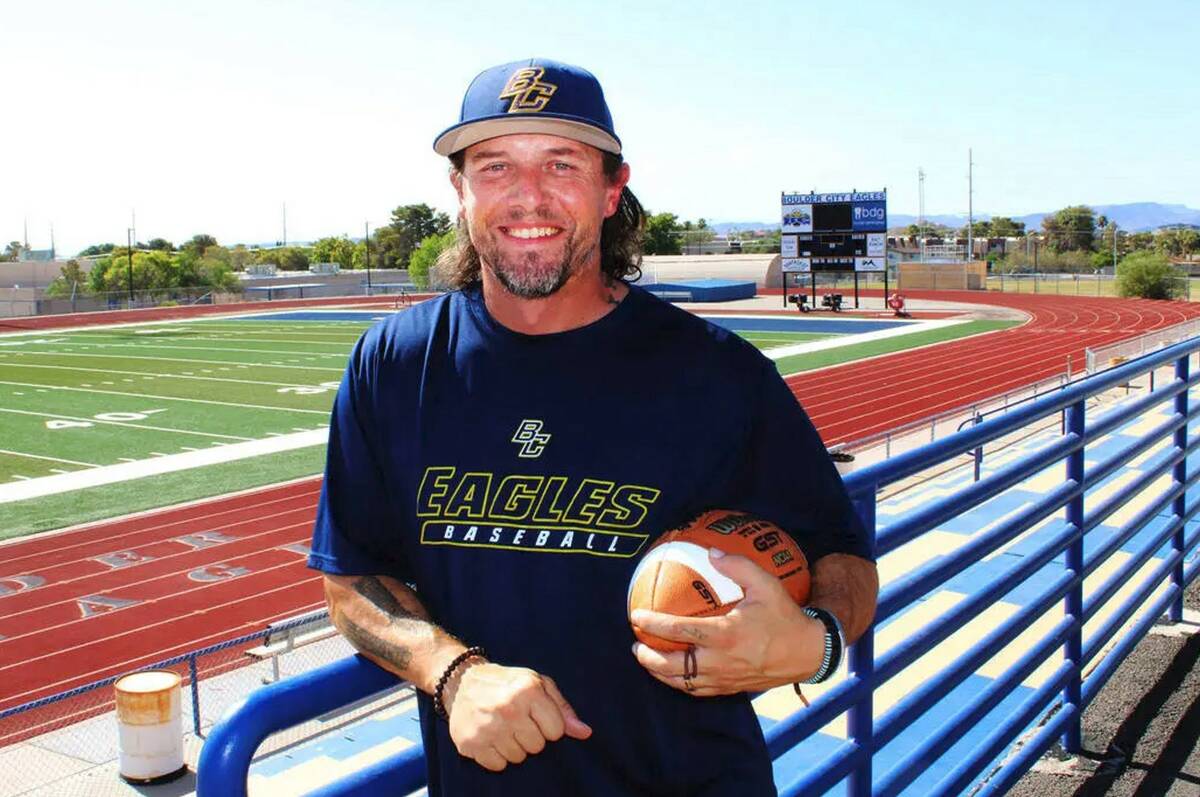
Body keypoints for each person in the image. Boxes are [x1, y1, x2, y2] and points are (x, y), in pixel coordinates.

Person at [309, 58, 878, 796]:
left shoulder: (718, 373)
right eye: (495, 166)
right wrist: (451, 673)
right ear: (460, 191)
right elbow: (351, 577)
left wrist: (815, 643)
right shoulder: (393, 363)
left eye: (562, 164)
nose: (528, 195)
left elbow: (843, 559)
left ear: (613, 190)